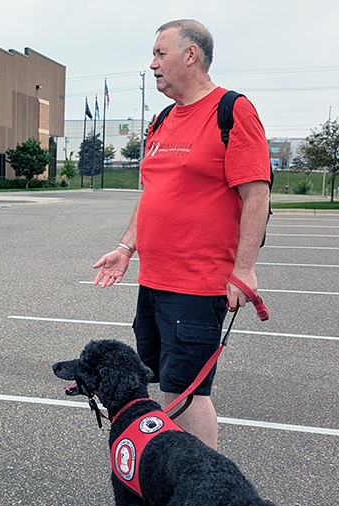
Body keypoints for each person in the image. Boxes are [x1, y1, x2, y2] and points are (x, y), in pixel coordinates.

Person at [92, 20, 270, 450]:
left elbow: (256, 194)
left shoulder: (232, 110)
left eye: (160, 54)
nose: (152, 65)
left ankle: (202, 488)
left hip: (197, 284)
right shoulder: (162, 120)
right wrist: (125, 247)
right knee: (168, 387)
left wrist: (244, 269)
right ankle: (177, 478)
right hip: (153, 282)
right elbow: (152, 194)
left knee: (189, 394)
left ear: (191, 55)